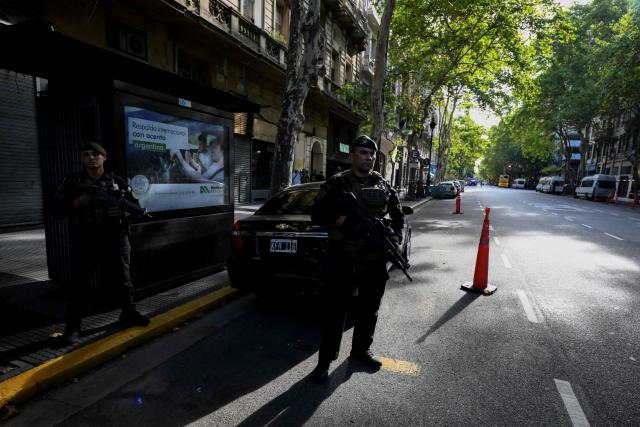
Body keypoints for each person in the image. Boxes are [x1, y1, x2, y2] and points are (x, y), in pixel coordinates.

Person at [310, 135, 405, 384]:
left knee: (369, 308)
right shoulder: (338, 183)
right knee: (335, 311)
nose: (369, 157)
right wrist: (348, 221)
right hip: (342, 256)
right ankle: (325, 361)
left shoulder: (383, 184)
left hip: (374, 259)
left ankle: (360, 351)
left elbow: (398, 217)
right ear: (352, 155)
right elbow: (317, 214)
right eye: (363, 152)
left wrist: (395, 237)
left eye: (372, 154)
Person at [53, 142, 150, 343]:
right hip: (85, 238)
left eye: (96, 154)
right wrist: (78, 203)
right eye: (86, 154)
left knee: (124, 280)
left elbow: (135, 207)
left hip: (115, 236)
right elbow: (55, 207)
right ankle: (72, 328)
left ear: (104, 157)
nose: (91, 158)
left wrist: (123, 213)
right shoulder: (72, 181)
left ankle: (128, 313)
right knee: (80, 284)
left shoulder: (118, 181)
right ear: (81, 158)